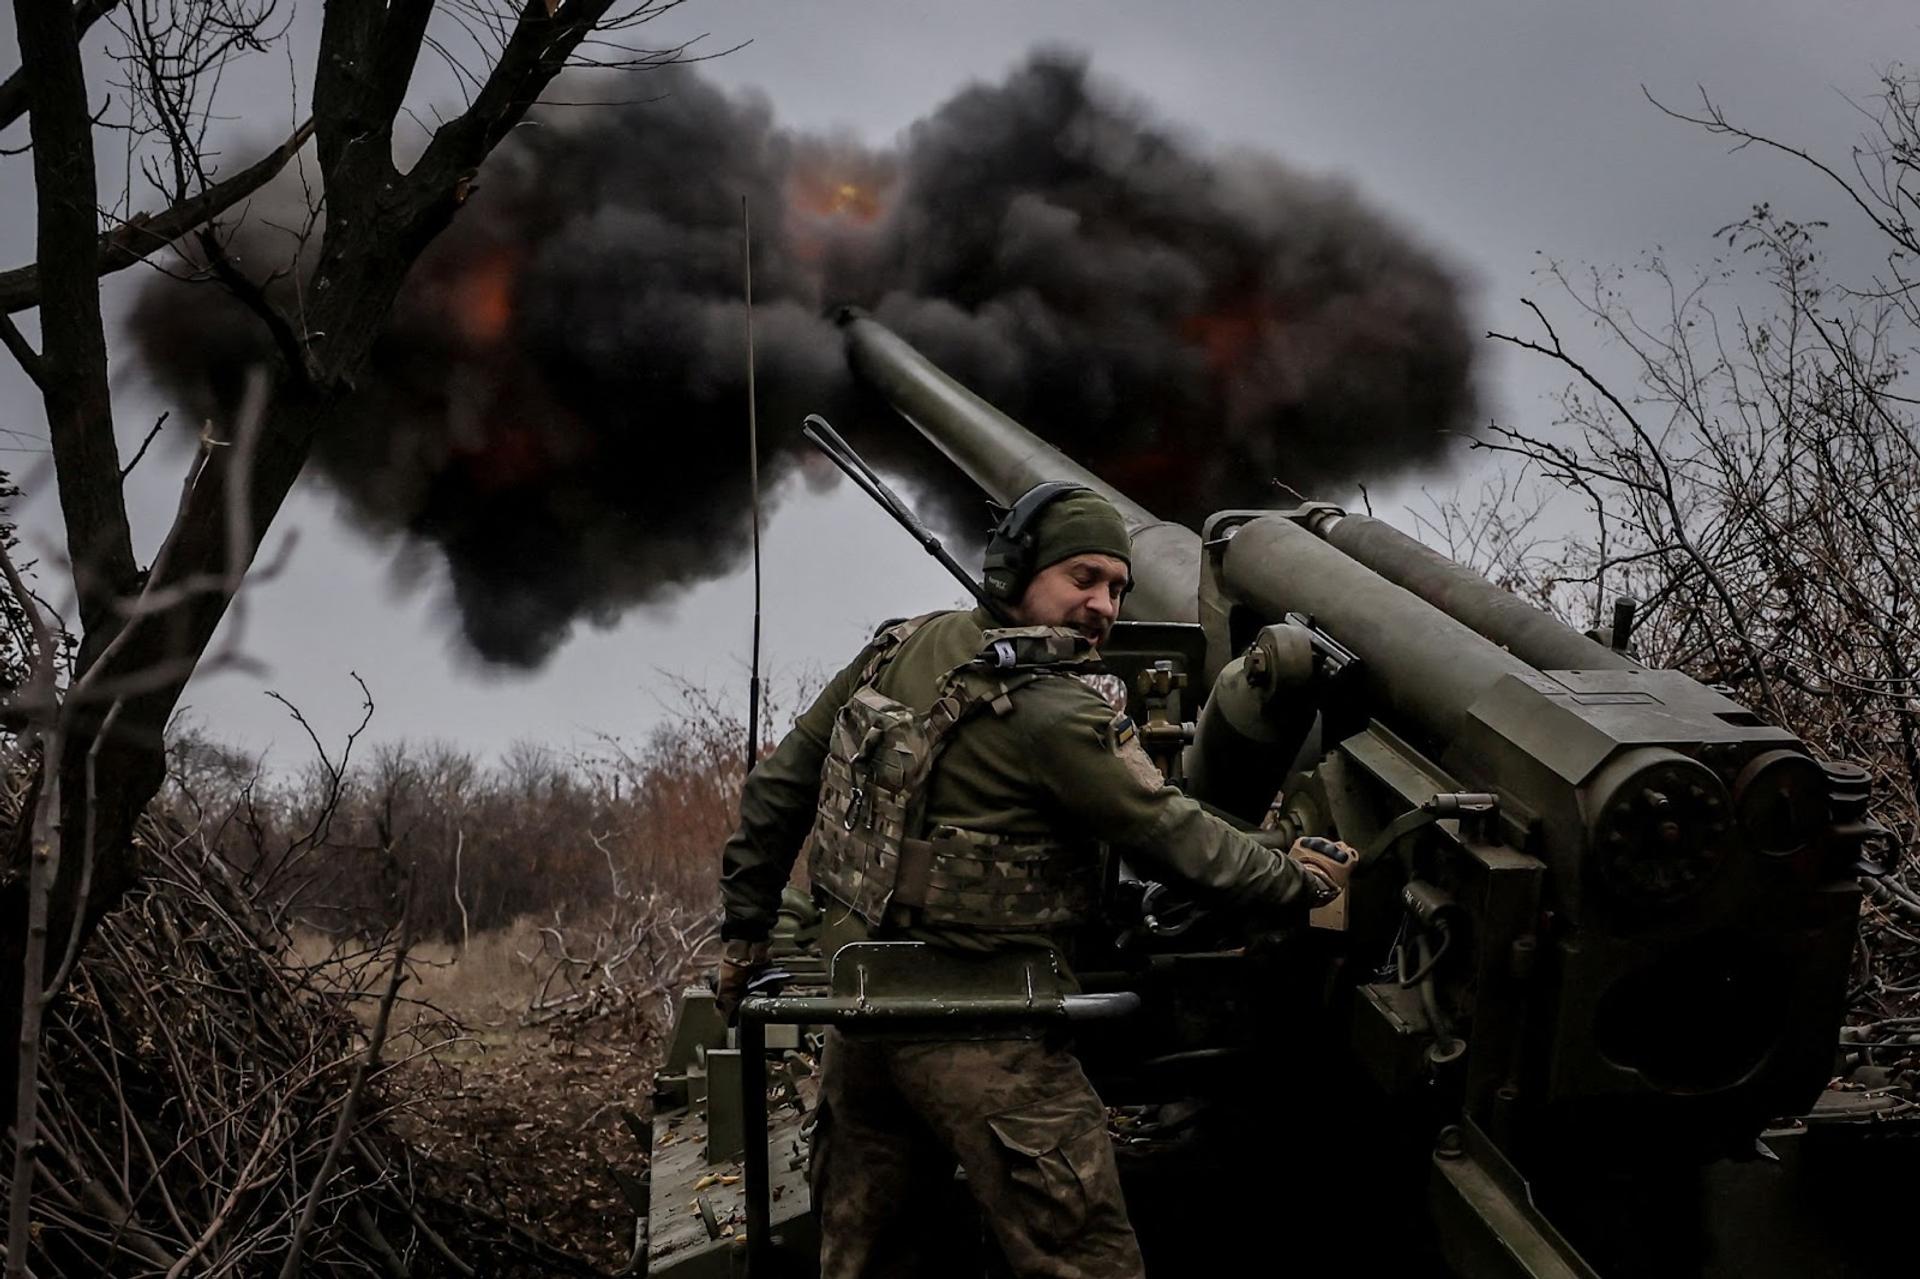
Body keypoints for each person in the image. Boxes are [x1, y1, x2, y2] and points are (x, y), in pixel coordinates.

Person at [714, 482, 1355, 1279]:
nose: (1103, 606)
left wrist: (744, 931)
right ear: (1015, 572)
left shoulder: (895, 647)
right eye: (1082, 578)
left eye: (1117, 587)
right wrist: (1298, 881)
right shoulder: (1057, 709)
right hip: (990, 1036)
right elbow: (1174, 838)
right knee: (1087, 1261)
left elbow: (780, 787)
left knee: (865, 1259)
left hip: (863, 1021)